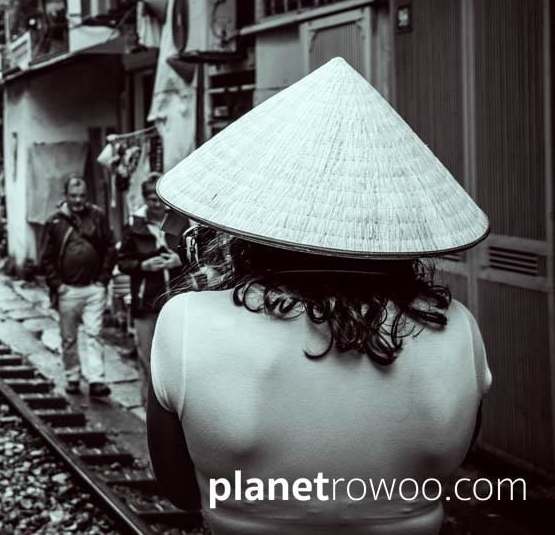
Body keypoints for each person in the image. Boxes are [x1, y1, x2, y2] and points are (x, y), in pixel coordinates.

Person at [146, 58, 492, 534]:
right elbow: (449, 469)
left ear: (251, 229)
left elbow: (180, 490)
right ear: (393, 228)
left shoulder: (186, 322)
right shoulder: (457, 328)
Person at [39, 176, 116, 397]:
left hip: (93, 288)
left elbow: (110, 248)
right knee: (68, 337)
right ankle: (72, 376)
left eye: (82, 195)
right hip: (68, 289)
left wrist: (103, 280)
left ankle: (96, 379)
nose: (78, 200)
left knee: (94, 334)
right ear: (66, 196)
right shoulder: (55, 222)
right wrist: (57, 285)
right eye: (73, 196)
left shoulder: (98, 217)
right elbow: (46, 257)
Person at [116, 173, 185, 407]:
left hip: (175, 300)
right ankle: (148, 408)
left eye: (159, 199)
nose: (156, 205)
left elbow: (196, 257)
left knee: (174, 357)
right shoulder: (135, 225)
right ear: (144, 199)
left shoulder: (178, 221)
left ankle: (171, 407)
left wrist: (178, 261)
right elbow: (122, 261)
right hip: (145, 301)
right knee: (146, 356)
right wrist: (142, 266)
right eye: (151, 199)